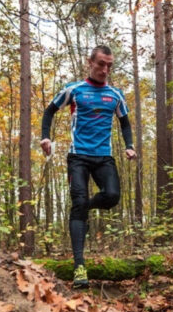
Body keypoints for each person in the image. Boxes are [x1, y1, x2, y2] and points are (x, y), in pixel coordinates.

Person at [41, 45, 136, 288]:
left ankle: (86, 209)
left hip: (103, 156)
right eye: (101, 64)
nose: (105, 69)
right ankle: (79, 266)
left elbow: (124, 121)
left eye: (109, 65)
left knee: (112, 196)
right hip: (78, 157)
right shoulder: (73, 90)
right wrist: (46, 137)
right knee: (78, 202)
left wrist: (129, 144)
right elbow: (50, 111)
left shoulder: (115, 94)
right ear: (89, 62)